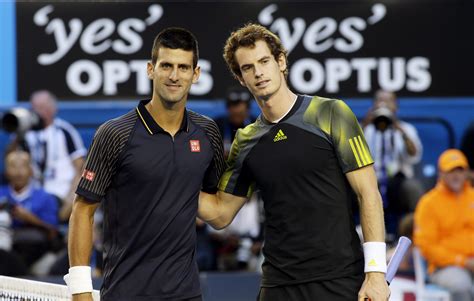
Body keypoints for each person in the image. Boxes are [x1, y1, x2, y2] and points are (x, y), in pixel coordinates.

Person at [198, 23, 389, 301]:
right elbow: (220, 214)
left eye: (264, 61)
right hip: (278, 285)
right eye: (248, 67)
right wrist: (170, 177)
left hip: (337, 280)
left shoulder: (331, 113)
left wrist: (375, 273)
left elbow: (368, 193)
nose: (259, 72)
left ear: (281, 62)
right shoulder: (246, 140)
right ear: (241, 78)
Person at [66, 27, 224, 301]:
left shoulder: (207, 132)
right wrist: (80, 290)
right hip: (126, 293)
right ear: (151, 69)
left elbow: (215, 206)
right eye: (166, 66)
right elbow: (82, 211)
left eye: (183, 67)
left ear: (195, 74)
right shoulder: (114, 134)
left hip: (186, 294)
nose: (174, 76)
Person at [414, 149, 474, 301]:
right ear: (441, 174)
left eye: (460, 170)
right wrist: (462, 261)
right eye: (451, 171)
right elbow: (427, 246)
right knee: (461, 286)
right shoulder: (428, 203)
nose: (456, 175)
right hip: (445, 267)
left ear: (467, 172)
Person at [362, 90, 423, 235]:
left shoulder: (406, 129)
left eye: (388, 100)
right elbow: (349, 151)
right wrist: (365, 124)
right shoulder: (366, 129)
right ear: (374, 105)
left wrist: (398, 128)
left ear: (396, 106)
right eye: (380, 100)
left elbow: (414, 154)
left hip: (399, 178)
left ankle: (418, 234)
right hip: (370, 179)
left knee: (413, 189)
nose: (384, 104)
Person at [22, 90, 87, 221]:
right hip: (32, 195)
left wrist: (71, 199)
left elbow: (81, 169)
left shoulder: (64, 131)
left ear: (53, 109)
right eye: (34, 108)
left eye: (42, 108)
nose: (38, 112)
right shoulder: (25, 133)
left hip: (61, 194)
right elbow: (12, 164)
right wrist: (18, 132)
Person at [0, 150, 59, 268]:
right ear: (6, 172)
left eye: (23, 166)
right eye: (13, 166)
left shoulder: (45, 197)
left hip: (36, 252)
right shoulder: (1, 193)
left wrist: (30, 218)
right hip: (5, 250)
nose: (18, 172)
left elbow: (53, 233)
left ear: (31, 170)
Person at [215, 86, 255, 156]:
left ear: (248, 110)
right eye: (234, 108)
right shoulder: (217, 125)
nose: (237, 111)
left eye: (241, 113)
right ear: (228, 109)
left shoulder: (257, 125)